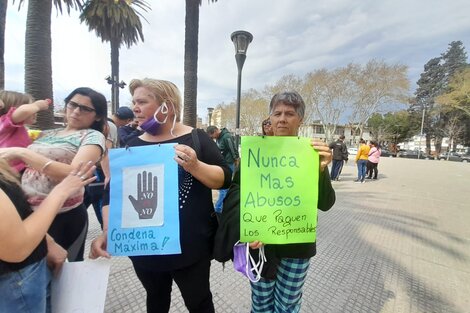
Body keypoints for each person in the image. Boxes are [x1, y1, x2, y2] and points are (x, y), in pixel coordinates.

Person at [90, 78, 231, 313]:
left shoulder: (197, 138)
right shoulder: (131, 145)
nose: (135, 107)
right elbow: (112, 194)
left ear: (167, 106)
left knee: (199, 302)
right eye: (134, 102)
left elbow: (225, 177)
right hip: (146, 249)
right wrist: (108, 231)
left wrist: (196, 167)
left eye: (142, 101)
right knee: (155, 300)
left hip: (191, 249)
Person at [246, 91, 336, 313]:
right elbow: (238, 197)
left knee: (287, 305)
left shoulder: (312, 154)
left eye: (289, 113)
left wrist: (322, 169)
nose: (282, 119)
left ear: (300, 119)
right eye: (277, 113)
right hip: (261, 245)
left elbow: (325, 203)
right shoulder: (255, 152)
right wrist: (245, 232)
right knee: (260, 304)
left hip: (297, 246)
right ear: (270, 118)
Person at [0, 87, 107, 262]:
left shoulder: (92, 136)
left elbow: (76, 174)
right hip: (26, 211)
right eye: (73, 104)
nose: (76, 111)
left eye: (86, 108)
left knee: (63, 274)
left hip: (63, 214)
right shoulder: (45, 134)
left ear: (97, 116)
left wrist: (23, 153)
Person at [0, 159, 96, 313]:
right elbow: (16, 248)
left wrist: (48, 242)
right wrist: (61, 191)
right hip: (14, 280)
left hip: (28, 270)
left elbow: (16, 215)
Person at [0, 90, 52, 173]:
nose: (35, 111)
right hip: (11, 171)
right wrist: (38, 105)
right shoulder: (4, 123)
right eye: (31, 108)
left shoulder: (13, 128)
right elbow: (25, 111)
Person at [206, 125, 239, 213]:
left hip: (228, 163)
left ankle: (219, 207)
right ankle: (220, 207)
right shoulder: (220, 137)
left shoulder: (226, 136)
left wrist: (236, 158)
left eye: (212, 136)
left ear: (216, 131)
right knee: (224, 186)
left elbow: (232, 148)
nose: (213, 138)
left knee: (225, 186)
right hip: (224, 164)